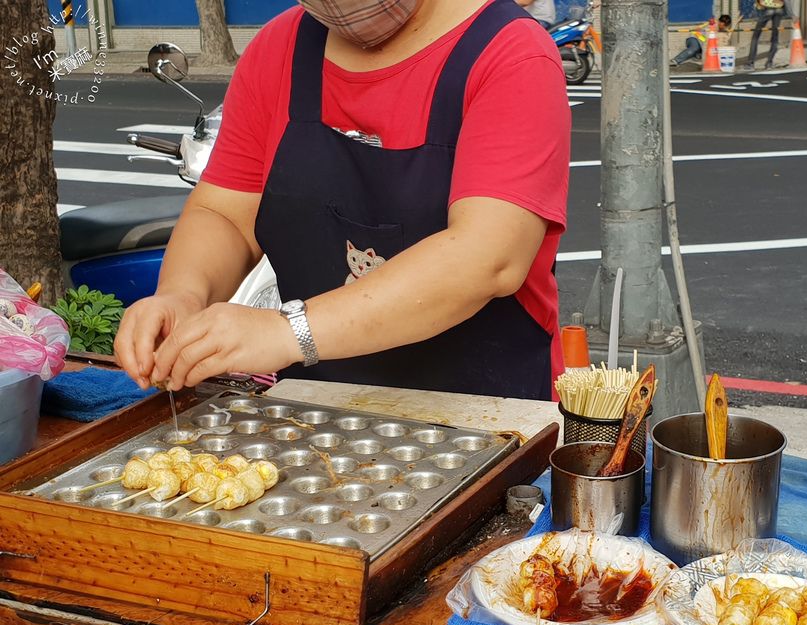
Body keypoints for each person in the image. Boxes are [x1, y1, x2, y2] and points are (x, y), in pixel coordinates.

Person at [113, 0, 570, 402]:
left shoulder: (509, 55)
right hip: (318, 408)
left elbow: (487, 257)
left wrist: (288, 331)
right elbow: (225, 214)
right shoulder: (280, 50)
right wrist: (182, 295)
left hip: (487, 412)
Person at [744, 0, 786, 70]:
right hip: (779, 9)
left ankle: (750, 63)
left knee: (755, 36)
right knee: (775, 36)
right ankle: (769, 63)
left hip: (768, 9)